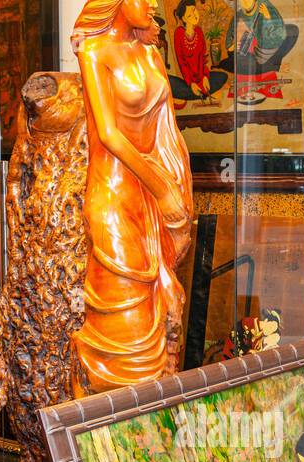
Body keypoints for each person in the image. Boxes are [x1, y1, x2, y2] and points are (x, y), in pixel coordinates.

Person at [71, 0, 194, 392]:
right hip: (113, 199)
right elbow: (108, 135)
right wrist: (162, 188)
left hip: (153, 197)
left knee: (166, 319)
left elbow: (167, 131)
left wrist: (174, 193)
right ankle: (110, 441)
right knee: (129, 340)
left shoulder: (151, 54)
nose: (154, 5)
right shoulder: (94, 53)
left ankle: (152, 438)